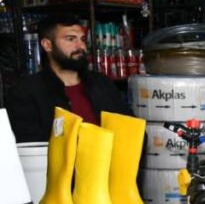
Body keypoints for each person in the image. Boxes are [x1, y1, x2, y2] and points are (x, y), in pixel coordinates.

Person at [6, 13, 132, 142]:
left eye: (82, 39)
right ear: (47, 45)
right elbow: (30, 146)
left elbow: (131, 130)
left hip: (110, 161)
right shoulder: (25, 92)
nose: (80, 46)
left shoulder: (102, 83)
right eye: (70, 39)